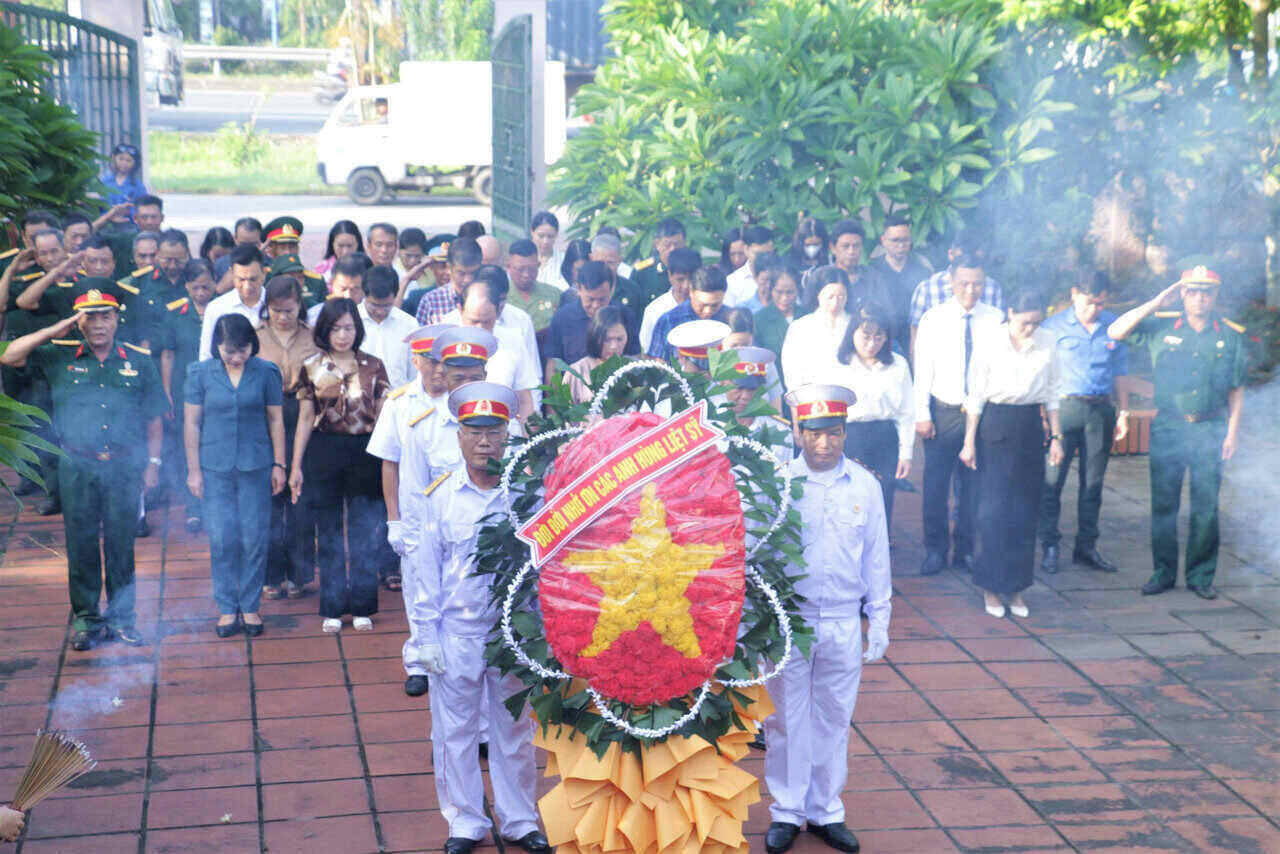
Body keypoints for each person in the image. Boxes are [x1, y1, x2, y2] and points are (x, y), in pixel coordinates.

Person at [409, 381, 551, 854]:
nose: (484, 441)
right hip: (458, 632)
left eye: (493, 431)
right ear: (459, 436)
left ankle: (518, 818)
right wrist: (424, 638)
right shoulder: (441, 496)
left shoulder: (525, 495)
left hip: (512, 631)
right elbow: (424, 573)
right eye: (474, 431)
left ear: (508, 433)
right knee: (456, 732)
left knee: (514, 732)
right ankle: (466, 821)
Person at [0, 286, 165, 650]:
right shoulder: (58, 356)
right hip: (77, 465)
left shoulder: (139, 361)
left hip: (124, 465)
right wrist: (55, 329)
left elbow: (155, 418)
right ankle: (87, 620)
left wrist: (153, 464)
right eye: (89, 316)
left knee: (122, 544)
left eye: (106, 315)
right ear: (79, 321)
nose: (99, 324)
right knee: (81, 545)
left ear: (117, 318)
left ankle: (122, 617)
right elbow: (9, 355)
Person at [765, 383, 890, 854]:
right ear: (798, 432)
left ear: (844, 433)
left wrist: (878, 620)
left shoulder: (865, 485)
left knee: (835, 717)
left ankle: (825, 810)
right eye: (814, 434)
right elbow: (757, 556)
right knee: (785, 720)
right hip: (788, 621)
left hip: (841, 619)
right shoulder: (777, 482)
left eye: (834, 433)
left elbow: (877, 559)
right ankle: (786, 812)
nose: (825, 443)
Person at [1107, 265, 1246, 600]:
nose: (1200, 298)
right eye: (1192, 291)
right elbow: (1115, 331)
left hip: (1209, 428)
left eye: (1207, 292)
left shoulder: (1228, 335)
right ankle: (1163, 573)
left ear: (1216, 295)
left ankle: (1200, 576)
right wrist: (1155, 302)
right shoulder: (1161, 325)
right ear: (1182, 294)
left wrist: (1232, 432)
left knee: (1206, 506)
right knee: (1164, 504)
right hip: (1169, 426)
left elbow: (1236, 388)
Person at [289, 298, 393, 632]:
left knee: (365, 527)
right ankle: (333, 605)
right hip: (324, 449)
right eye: (336, 328)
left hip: (366, 450)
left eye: (349, 327)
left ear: (357, 330)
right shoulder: (311, 366)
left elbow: (385, 417)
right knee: (328, 529)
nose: (343, 335)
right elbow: (305, 417)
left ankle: (363, 604)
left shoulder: (373, 365)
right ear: (325, 331)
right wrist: (295, 467)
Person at [959, 291, 1063, 619]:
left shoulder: (1048, 342)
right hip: (994, 425)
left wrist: (1057, 438)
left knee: (1024, 512)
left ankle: (1016, 588)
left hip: (1030, 426)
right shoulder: (990, 341)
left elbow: (1053, 393)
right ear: (1010, 312)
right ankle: (990, 586)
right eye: (1023, 322)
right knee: (992, 512)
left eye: (1035, 322)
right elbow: (975, 396)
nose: (1029, 329)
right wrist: (969, 442)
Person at [184, 314, 287, 637]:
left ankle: (251, 606)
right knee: (221, 536)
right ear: (217, 345)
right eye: (229, 350)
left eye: (242, 349)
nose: (236, 357)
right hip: (214, 466)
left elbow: (275, 420)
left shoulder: (266, 372)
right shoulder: (199, 373)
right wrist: (193, 471)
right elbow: (191, 424)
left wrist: (279, 464)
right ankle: (227, 607)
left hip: (256, 465)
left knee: (254, 536)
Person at [367, 322, 453, 697]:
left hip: (455, 513)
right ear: (416, 361)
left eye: (443, 361)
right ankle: (417, 660)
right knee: (418, 589)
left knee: (455, 590)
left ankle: (450, 655)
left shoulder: (464, 400)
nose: (437, 369)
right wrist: (393, 519)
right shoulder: (400, 403)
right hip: (416, 514)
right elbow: (390, 462)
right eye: (429, 361)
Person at [913, 254, 1002, 576]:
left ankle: (964, 550)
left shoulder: (995, 319)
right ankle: (935, 549)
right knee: (936, 486)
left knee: (974, 487)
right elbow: (922, 369)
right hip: (944, 410)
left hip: (981, 414)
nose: (970, 289)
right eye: (964, 283)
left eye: (977, 283)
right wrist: (922, 414)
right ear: (951, 281)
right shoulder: (934, 318)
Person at [1038, 272, 1130, 574]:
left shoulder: (1113, 326)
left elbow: (1120, 372)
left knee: (1093, 484)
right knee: (1052, 481)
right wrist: (1043, 415)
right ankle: (1049, 545)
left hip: (1099, 411)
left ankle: (1086, 547)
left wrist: (1124, 412)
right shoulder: (1053, 328)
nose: (1095, 309)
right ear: (1074, 293)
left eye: (1101, 304)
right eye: (1090, 302)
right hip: (1064, 409)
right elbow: (1041, 372)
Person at [256, 275, 320, 600]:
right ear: (267, 308)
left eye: (289, 310)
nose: (283, 317)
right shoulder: (256, 337)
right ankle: (271, 573)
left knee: (300, 500)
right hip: (264, 415)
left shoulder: (312, 337)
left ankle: (299, 574)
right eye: (276, 310)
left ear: (299, 307)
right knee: (269, 498)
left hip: (303, 411)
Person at [822, 300, 914, 526]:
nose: (872, 343)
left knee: (882, 499)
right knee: (848, 499)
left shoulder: (898, 365)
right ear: (852, 332)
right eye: (866, 335)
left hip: (884, 437)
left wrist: (906, 453)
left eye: (879, 336)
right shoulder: (837, 365)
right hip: (849, 436)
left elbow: (906, 413)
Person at [158, 258, 218, 532]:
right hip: (185, 390)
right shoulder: (176, 314)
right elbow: (168, 354)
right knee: (188, 450)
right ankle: (194, 510)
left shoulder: (222, 311)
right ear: (187, 287)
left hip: (217, 391)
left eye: (206, 287)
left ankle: (216, 507)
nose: (201, 293)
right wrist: (167, 392)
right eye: (195, 288)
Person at [908, 229, 1005, 358]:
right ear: (950, 254)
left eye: (974, 257)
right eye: (962, 256)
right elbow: (916, 338)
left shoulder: (993, 288)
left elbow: (999, 336)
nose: (968, 260)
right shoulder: (927, 289)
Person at [455, 275, 538, 422]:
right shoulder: (446, 342)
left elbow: (524, 400)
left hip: (505, 434)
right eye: (474, 321)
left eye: (487, 322)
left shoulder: (513, 340)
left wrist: (532, 440)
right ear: (460, 310)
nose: (480, 329)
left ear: (498, 312)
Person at [544, 261, 639, 380]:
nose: (596, 306)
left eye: (602, 299)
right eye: (590, 299)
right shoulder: (562, 318)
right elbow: (553, 365)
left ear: (612, 289)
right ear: (579, 288)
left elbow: (634, 359)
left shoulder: (625, 316)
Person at [780, 266, 850, 390]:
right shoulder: (801, 327)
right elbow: (792, 370)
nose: (835, 303)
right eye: (830, 297)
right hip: (813, 398)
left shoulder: (855, 324)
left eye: (841, 296)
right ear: (818, 294)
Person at [869, 213, 932, 344]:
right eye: (895, 240)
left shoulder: (923, 272)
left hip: (917, 337)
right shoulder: (872, 271)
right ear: (883, 241)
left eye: (905, 240)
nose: (901, 245)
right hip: (883, 338)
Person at [647, 265, 730, 362]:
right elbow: (658, 363)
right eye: (702, 305)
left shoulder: (731, 319)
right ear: (691, 292)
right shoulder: (669, 321)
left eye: (715, 305)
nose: (707, 311)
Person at [201, 244, 268, 360]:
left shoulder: (275, 305)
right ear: (231, 274)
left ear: (264, 274)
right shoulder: (217, 308)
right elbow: (206, 356)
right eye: (241, 280)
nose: (247, 287)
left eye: (253, 279)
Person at [358, 265, 418, 389]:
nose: (380, 312)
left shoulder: (409, 324)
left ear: (395, 296)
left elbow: (415, 373)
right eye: (374, 305)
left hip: (400, 399)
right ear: (364, 294)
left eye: (386, 306)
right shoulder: (352, 321)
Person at [561, 304, 629, 404]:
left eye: (619, 339)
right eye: (607, 339)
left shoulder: (634, 370)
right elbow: (565, 414)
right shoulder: (576, 372)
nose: (613, 346)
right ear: (595, 337)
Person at [638, 246, 700, 353]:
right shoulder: (655, 310)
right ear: (670, 276)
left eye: (692, 279)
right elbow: (647, 351)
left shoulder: (708, 305)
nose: (686, 286)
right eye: (680, 280)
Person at [504, 239, 561, 349]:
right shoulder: (500, 297)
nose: (526, 275)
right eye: (520, 269)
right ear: (509, 267)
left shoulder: (554, 295)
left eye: (531, 269)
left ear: (538, 265)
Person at [416, 237, 482, 325]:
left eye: (473, 273)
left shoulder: (488, 298)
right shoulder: (431, 301)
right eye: (461, 273)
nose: (467, 280)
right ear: (449, 268)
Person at [630, 217, 687, 307]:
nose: (672, 249)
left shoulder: (694, 268)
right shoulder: (642, 271)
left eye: (677, 244)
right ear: (657, 244)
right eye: (667, 245)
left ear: (685, 243)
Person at [753, 262, 802, 362]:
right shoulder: (759, 320)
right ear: (771, 290)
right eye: (779, 292)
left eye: (790, 292)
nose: (784, 298)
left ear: (798, 290)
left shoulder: (807, 316)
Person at [725, 225, 775, 307]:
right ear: (746, 249)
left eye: (767, 254)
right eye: (758, 254)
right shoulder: (733, 281)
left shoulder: (782, 278)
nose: (762, 258)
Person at [99, 142, 148, 207]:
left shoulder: (138, 185)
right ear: (113, 158)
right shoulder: (104, 181)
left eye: (128, 160)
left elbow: (143, 206)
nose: (124, 163)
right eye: (121, 159)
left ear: (135, 163)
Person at [530, 210, 563, 288]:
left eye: (550, 236)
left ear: (557, 234)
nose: (545, 241)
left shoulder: (564, 261)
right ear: (532, 232)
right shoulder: (523, 259)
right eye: (541, 236)